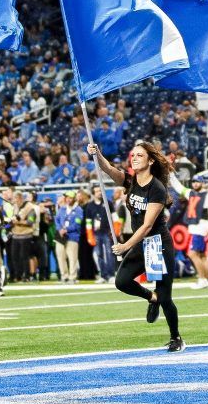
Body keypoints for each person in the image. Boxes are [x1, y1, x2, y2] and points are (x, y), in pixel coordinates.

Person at [88, 139, 184, 352]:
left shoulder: (156, 188)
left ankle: (176, 337)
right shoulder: (130, 182)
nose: (134, 157)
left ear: (150, 161)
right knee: (121, 281)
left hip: (158, 245)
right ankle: (152, 298)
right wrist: (97, 153)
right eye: (133, 155)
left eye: (139, 155)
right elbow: (108, 169)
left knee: (166, 297)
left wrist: (125, 246)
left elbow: (148, 226)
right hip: (142, 244)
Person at [85, 186, 115, 283]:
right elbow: (88, 222)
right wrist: (90, 235)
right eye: (97, 191)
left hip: (107, 232)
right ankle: (103, 275)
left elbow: (115, 217)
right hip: (96, 233)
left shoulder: (108, 203)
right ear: (93, 194)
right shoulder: (89, 206)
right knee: (99, 254)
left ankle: (111, 275)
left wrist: (115, 231)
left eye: (100, 191)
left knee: (109, 253)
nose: (99, 193)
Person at [55, 192, 83, 284]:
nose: (68, 199)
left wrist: (66, 229)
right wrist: (59, 229)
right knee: (61, 257)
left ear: (74, 199)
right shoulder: (62, 209)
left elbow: (77, 224)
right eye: (67, 198)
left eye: (70, 198)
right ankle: (64, 276)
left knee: (72, 258)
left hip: (72, 237)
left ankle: (72, 277)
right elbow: (57, 220)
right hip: (61, 237)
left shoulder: (78, 210)